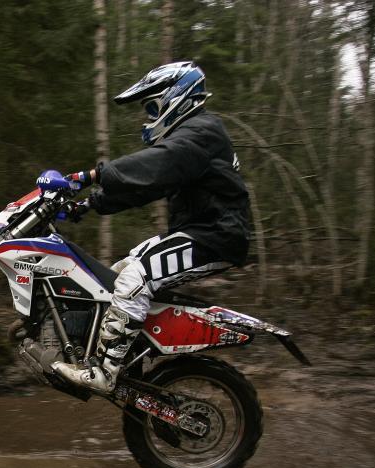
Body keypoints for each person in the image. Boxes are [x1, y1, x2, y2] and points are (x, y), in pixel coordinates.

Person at [53, 60, 251, 395]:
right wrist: (89, 204)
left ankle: (106, 371)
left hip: (215, 236)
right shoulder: (192, 137)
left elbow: (154, 166)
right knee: (119, 272)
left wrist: (89, 176)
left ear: (175, 98)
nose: (148, 117)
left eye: (150, 107)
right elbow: (147, 187)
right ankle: (124, 357)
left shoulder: (201, 132)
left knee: (133, 279)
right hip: (200, 232)